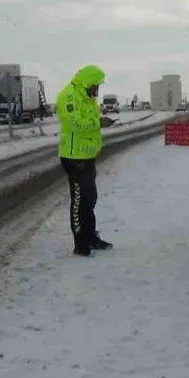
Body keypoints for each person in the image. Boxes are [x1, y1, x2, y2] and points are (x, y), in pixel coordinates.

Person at [56, 64, 117, 256]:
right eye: (96, 85)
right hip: (74, 157)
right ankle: (80, 243)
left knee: (90, 199)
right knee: (79, 201)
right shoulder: (68, 96)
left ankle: (91, 236)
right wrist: (99, 123)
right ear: (87, 82)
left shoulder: (88, 97)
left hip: (88, 156)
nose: (97, 89)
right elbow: (74, 123)